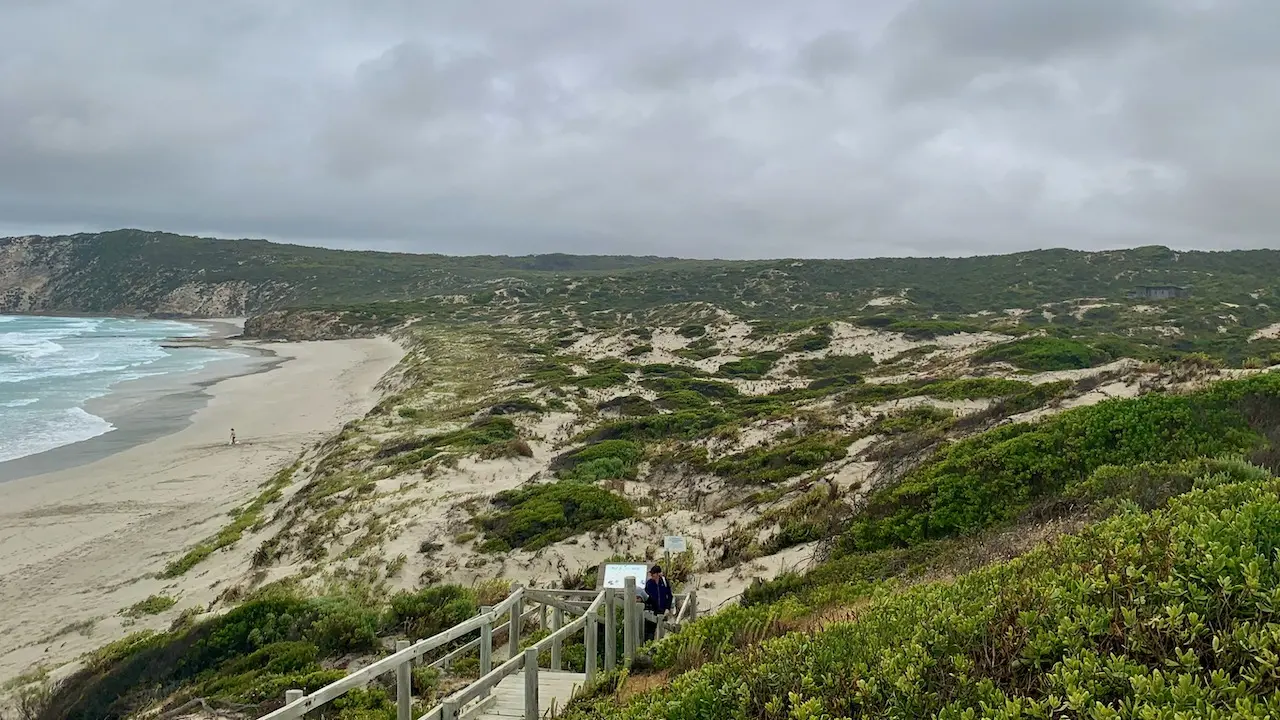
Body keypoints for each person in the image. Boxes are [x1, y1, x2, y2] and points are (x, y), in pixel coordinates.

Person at [643, 565, 673, 643]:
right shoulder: (649, 583)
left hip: (662, 610)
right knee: (650, 631)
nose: (652, 576)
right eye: (651, 574)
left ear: (658, 574)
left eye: (653, 574)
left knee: (662, 630)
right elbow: (647, 597)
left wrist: (667, 608)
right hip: (652, 610)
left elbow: (669, 596)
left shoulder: (664, 582)